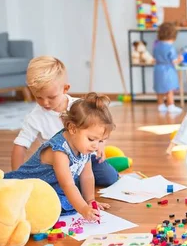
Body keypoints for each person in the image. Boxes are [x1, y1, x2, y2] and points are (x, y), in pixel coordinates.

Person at [5, 93, 115, 222]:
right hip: (27, 186)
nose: (96, 146)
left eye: (101, 141)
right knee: (44, 208)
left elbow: (87, 175)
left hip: (53, 187)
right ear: (73, 129)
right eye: (92, 139)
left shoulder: (84, 147)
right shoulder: (59, 151)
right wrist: (84, 209)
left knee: (65, 200)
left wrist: (90, 201)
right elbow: (67, 184)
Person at [11, 56, 118, 186]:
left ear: (65, 89)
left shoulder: (80, 106)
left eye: (51, 97)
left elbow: (100, 125)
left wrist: (101, 143)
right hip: (56, 165)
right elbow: (20, 145)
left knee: (109, 177)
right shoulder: (34, 117)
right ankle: (74, 184)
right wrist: (17, 178)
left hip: (85, 156)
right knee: (51, 186)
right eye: (38, 97)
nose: (45, 103)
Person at [154, 22, 183, 113]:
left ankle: (160, 105)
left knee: (160, 88)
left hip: (158, 68)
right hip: (167, 69)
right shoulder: (170, 47)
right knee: (169, 88)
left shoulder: (156, 45)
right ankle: (171, 105)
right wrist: (180, 58)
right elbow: (174, 60)